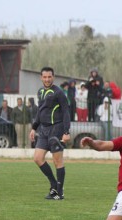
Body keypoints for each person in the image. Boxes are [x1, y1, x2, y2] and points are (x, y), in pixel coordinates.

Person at [29, 66, 71, 200]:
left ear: (53, 77)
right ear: (41, 77)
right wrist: (34, 128)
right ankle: (53, 184)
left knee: (57, 160)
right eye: (45, 77)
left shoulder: (58, 93)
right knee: (37, 158)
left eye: (49, 77)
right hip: (43, 130)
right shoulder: (40, 92)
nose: (47, 79)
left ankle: (59, 192)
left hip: (56, 129)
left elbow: (66, 112)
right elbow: (40, 112)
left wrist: (66, 131)